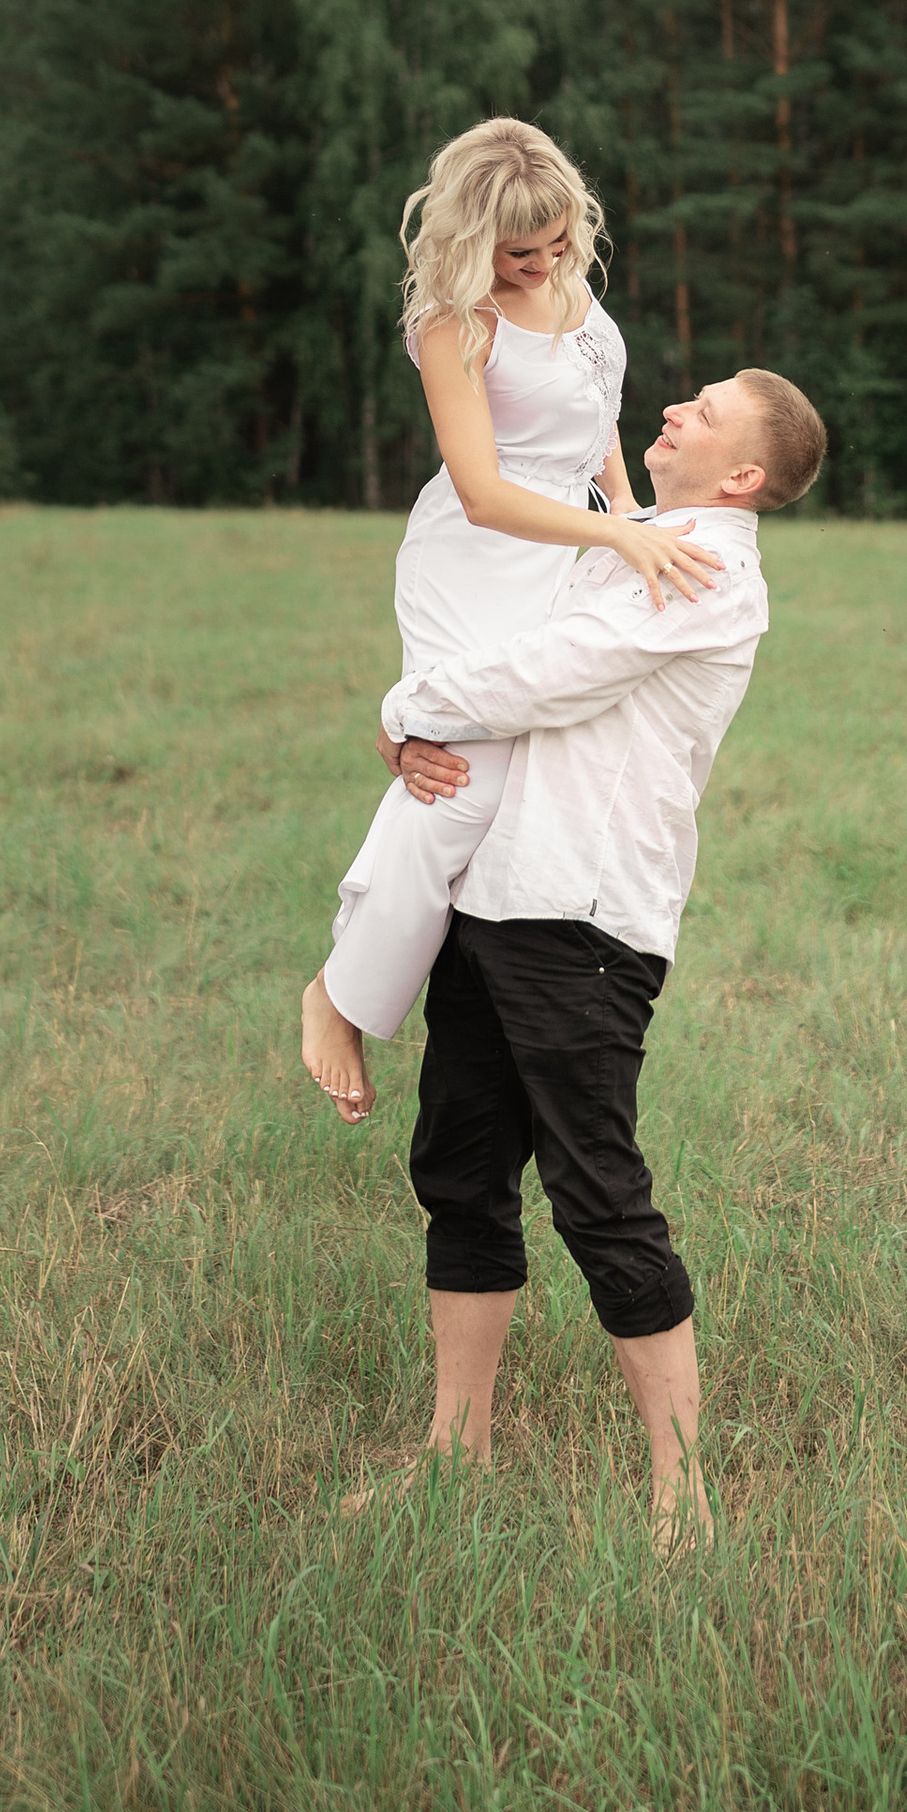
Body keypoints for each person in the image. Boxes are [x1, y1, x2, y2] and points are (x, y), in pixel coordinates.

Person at [370, 361, 828, 1543]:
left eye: (707, 409)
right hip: (495, 896)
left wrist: (406, 706)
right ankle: (451, 1460)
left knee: (597, 1196)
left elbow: (549, 677)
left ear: (742, 475)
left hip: (582, 916)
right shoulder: (627, 536)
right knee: (461, 1174)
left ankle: (684, 1500)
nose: (676, 406)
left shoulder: (706, 564)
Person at [299, 119, 724, 1127]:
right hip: (475, 558)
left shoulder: (578, 294)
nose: (541, 266)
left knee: (524, 781)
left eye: (557, 243)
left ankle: (410, 745)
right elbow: (483, 492)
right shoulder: (453, 323)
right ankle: (338, 993)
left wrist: (631, 521)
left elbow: (598, 430)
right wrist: (616, 539)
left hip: (573, 546)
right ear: (467, 236)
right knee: (464, 784)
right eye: (517, 253)